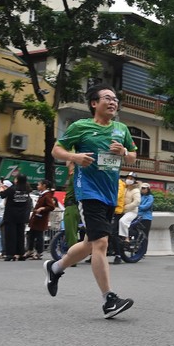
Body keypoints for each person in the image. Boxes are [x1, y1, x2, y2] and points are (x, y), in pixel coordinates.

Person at [45, 84, 138, 319]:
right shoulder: (80, 127)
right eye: (107, 98)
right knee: (101, 244)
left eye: (115, 99)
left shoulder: (121, 129)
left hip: (109, 194)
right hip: (88, 192)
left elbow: (134, 158)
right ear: (94, 103)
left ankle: (55, 268)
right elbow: (57, 150)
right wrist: (73, 156)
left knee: (89, 244)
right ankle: (109, 299)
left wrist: (124, 154)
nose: (113, 102)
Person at [1, 174, 32, 261]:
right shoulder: (27, 190)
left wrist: (1, 187)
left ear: (17, 180)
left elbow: (2, 195)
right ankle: (21, 253)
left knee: (10, 236)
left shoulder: (13, 189)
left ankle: (10, 254)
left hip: (11, 215)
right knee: (20, 235)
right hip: (21, 216)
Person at [24, 180, 57, 261]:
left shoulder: (47, 195)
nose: (37, 186)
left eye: (39, 185)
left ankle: (39, 252)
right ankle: (30, 250)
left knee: (39, 236)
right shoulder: (42, 195)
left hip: (41, 219)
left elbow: (52, 207)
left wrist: (43, 208)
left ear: (44, 185)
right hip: (36, 219)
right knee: (31, 235)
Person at [118, 172, 141, 252]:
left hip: (131, 212)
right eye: (128, 178)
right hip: (121, 210)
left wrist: (126, 208)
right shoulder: (124, 188)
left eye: (131, 179)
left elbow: (137, 202)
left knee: (123, 221)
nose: (129, 180)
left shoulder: (136, 190)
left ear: (134, 181)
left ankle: (126, 239)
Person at [111, 176, 128, 265]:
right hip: (108, 210)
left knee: (113, 233)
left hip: (117, 211)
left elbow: (117, 196)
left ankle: (118, 255)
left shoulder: (119, 184)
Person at [137, 183, 154, 256]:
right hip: (137, 217)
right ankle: (137, 250)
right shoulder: (139, 196)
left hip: (146, 218)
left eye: (144, 188)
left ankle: (143, 251)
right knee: (137, 234)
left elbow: (146, 206)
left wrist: (137, 206)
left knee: (145, 234)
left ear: (148, 189)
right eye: (142, 188)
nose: (143, 190)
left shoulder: (150, 197)